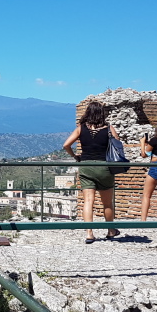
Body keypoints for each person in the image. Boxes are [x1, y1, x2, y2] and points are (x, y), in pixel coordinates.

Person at [63, 101, 121, 243]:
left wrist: (75, 156)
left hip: (86, 166)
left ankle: (89, 233)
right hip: (104, 167)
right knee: (107, 203)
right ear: (102, 113)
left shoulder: (81, 128)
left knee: (88, 201)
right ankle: (111, 230)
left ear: (88, 112)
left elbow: (66, 145)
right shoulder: (109, 129)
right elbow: (118, 144)